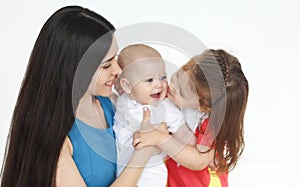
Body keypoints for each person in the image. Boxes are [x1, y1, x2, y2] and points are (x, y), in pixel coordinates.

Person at [0, 6, 156, 187]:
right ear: (72, 71)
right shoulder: (53, 142)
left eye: (116, 58)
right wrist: (143, 152)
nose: (118, 70)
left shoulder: (111, 104)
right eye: (106, 66)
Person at [133, 49, 249, 187]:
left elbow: (199, 161)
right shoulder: (169, 96)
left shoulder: (208, 123)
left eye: (181, 92)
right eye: (177, 76)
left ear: (203, 107)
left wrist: (160, 138)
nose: (173, 87)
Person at [113, 44, 185, 187]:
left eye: (163, 77)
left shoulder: (165, 108)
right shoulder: (122, 101)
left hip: (151, 179)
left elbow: (184, 135)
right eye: (149, 80)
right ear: (127, 86)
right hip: (123, 178)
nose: (159, 84)